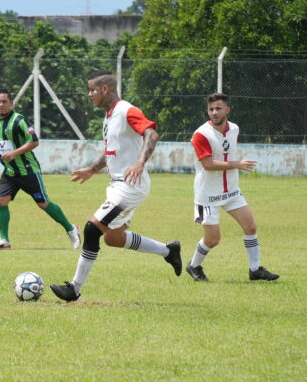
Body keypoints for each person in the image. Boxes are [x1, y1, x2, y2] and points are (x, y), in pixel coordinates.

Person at [50, 71, 182, 302]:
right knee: (113, 238)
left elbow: (151, 133)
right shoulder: (110, 116)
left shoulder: (126, 110)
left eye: (92, 89)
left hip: (130, 186)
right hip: (118, 185)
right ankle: (169, 250)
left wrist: (140, 162)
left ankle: (74, 289)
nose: (89, 94)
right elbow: (113, 152)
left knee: (91, 230)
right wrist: (92, 169)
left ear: (105, 89)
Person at [187, 92, 279, 282]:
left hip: (231, 191)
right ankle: (194, 266)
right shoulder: (200, 134)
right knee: (213, 240)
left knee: (250, 227)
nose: (214, 112)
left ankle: (255, 270)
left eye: (218, 108)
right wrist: (237, 164)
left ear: (227, 110)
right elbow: (208, 164)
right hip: (208, 194)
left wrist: (234, 167)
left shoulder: (234, 128)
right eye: (211, 109)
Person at [0, 88, 80, 250]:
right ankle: (4, 241)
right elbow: (0, 141)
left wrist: (15, 153)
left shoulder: (19, 120)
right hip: (10, 172)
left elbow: (34, 141)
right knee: (0, 201)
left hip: (28, 170)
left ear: (11, 103)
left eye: (4, 102)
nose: (1, 105)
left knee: (43, 203)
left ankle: (72, 229)